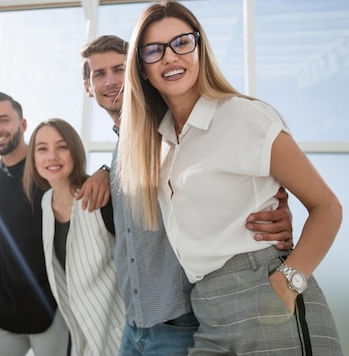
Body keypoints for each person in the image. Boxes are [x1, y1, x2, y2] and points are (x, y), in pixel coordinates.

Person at [117, 0, 342, 355]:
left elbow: (326, 207)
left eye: (182, 43)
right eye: (154, 51)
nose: (170, 57)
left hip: (263, 291)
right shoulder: (158, 144)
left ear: (199, 49)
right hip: (206, 306)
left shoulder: (243, 115)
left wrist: (286, 285)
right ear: (142, 68)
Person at [80, 35, 296, 356]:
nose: (110, 81)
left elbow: (222, 173)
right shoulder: (118, 148)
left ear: (137, 73)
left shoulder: (172, 129)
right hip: (134, 324)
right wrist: (104, 171)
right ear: (88, 87)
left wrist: (274, 204)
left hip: (180, 323)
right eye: (99, 74)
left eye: (118, 69)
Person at [0, 91, 110, 356]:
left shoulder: (47, 171)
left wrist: (106, 172)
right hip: (7, 306)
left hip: (52, 307)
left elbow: (78, 184)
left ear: (23, 125)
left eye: (4, 119)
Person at [23, 118, 125, 356]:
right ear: (34, 158)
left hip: (122, 334)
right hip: (82, 337)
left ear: (75, 151)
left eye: (62, 147)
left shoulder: (100, 197)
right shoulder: (46, 203)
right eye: (42, 149)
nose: (52, 156)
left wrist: (107, 172)